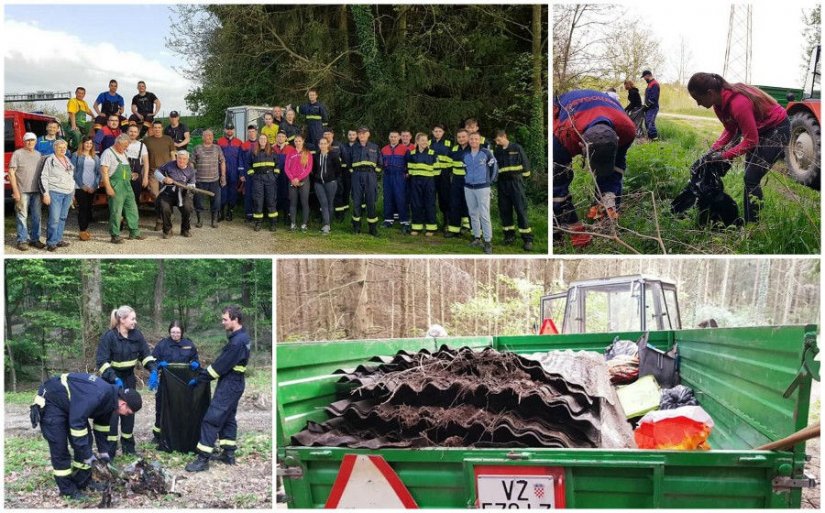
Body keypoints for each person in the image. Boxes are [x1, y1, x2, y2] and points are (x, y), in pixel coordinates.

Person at [687, 72, 791, 223]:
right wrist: (712, 151)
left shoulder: (738, 103)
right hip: (760, 129)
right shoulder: (718, 105)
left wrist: (723, 156)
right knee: (749, 178)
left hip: (777, 129)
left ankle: (753, 227)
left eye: (698, 99)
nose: (698, 103)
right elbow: (730, 130)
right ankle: (751, 220)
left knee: (751, 178)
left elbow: (750, 140)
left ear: (710, 93)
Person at [30, 372, 141, 500]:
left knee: (86, 442)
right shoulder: (98, 395)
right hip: (52, 402)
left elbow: (101, 426)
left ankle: (81, 481)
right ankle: (67, 490)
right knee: (60, 448)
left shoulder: (111, 400)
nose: (126, 415)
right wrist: (87, 455)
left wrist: (104, 452)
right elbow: (77, 424)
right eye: (128, 412)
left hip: (71, 406)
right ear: (123, 404)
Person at [552, 89, 636, 248]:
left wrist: (608, 195)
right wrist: (573, 226)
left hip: (606, 112)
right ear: (581, 146)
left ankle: (606, 217)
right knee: (557, 182)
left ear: (617, 140)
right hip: (565, 113)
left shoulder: (627, 129)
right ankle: (557, 230)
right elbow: (556, 185)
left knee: (610, 191)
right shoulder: (562, 133)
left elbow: (617, 165)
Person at [185, 305, 251, 472]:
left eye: (225, 319)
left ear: (235, 320)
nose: (222, 322)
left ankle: (202, 459)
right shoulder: (242, 338)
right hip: (235, 383)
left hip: (230, 384)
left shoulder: (237, 343)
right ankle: (228, 454)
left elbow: (219, 367)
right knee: (228, 417)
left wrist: (199, 379)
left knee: (211, 419)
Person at [96, 305, 157, 457]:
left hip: (129, 378)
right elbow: (101, 362)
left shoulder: (137, 336)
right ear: (121, 320)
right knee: (112, 416)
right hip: (112, 382)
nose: (135, 322)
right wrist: (113, 378)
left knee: (129, 412)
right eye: (132, 318)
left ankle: (128, 449)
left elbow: (145, 355)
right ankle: (109, 451)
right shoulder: (109, 337)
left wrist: (153, 369)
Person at [151, 321, 200, 444]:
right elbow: (153, 361)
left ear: (182, 332)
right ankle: (158, 435)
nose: (175, 335)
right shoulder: (162, 345)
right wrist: (157, 367)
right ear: (169, 332)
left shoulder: (189, 344)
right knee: (161, 406)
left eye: (178, 332)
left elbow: (195, 360)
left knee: (183, 407)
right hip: (166, 382)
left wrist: (196, 364)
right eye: (173, 332)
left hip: (184, 382)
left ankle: (181, 433)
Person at [100, 135, 146, 243]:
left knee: (132, 209)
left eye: (127, 146)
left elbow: (125, 170)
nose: (126, 148)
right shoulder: (108, 153)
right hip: (116, 186)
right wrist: (108, 187)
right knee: (116, 211)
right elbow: (104, 172)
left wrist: (131, 175)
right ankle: (115, 235)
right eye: (125, 146)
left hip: (127, 185)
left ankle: (134, 232)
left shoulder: (124, 153)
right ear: (118, 143)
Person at [493, 130, 534, 251]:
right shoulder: (498, 151)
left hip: (516, 183)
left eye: (498, 140)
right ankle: (509, 236)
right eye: (496, 141)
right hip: (502, 184)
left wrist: (523, 179)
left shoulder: (516, 147)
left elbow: (525, 163)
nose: (497, 142)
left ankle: (527, 239)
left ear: (504, 136)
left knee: (521, 210)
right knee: (504, 210)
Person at [9, 132, 45, 251]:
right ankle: (22, 240)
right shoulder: (17, 154)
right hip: (22, 190)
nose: (30, 142)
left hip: (36, 191)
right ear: (24, 142)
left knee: (37, 216)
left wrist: (43, 191)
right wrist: (16, 191)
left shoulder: (39, 154)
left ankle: (35, 239)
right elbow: (11, 173)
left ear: (35, 142)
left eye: (32, 140)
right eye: (27, 140)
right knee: (22, 215)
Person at [463, 133, 498, 254]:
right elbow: (464, 169)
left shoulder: (486, 153)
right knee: (473, 213)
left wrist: (490, 181)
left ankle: (488, 241)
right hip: (468, 187)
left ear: (479, 140)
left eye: (476, 139)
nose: (473, 141)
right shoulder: (465, 154)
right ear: (469, 140)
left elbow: (494, 167)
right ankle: (477, 237)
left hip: (482, 187)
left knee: (484, 214)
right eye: (471, 139)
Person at [40, 139, 76, 251]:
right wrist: (45, 194)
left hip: (68, 193)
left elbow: (71, 177)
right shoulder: (49, 159)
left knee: (62, 217)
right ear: (55, 148)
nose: (62, 150)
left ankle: (58, 239)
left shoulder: (67, 159)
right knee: (54, 218)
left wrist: (73, 193)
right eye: (60, 147)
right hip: (55, 191)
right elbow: (43, 177)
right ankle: (51, 242)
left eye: (64, 148)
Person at [143, 120, 177, 231]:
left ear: (162, 128)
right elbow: (144, 157)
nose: (157, 129)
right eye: (155, 127)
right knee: (156, 196)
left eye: (159, 127)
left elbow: (173, 155)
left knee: (168, 196)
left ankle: (161, 220)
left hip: (167, 172)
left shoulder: (168, 139)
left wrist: (175, 170)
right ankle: (160, 218)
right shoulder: (147, 141)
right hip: (153, 173)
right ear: (152, 129)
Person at [154, 150, 197, 238]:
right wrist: (164, 179)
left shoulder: (191, 170)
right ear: (176, 158)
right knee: (164, 207)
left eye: (184, 159)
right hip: (168, 192)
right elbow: (156, 172)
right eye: (179, 158)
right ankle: (167, 230)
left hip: (183, 194)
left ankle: (185, 229)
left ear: (187, 160)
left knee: (188, 208)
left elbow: (192, 183)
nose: (181, 161)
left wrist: (190, 187)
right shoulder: (169, 165)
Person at [191, 129, 227, 228]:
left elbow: (222, 161)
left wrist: (223, 176)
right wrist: (192, 176)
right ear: (203, 137)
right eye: (207, 135)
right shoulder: (197, 148)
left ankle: (214, 221)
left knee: (216, 201)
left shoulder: (217, 148)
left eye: (211, 135)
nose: (210, 137)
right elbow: (191, 162)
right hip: (200, 181)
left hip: (214, 180)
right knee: (198, 201)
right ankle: (200, 220)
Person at [350, 126, 382, 235]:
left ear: (368, 134)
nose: (362, 135)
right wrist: (354, 173)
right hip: (357, 175)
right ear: (358, 135)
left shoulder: (374, 147)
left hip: (370, 176)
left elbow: (380, 162)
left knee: (371, 201)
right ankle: (356, 227)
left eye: (364, 133)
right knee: (357, 201)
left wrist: (373, 173)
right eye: (360, 133)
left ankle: (373, 229)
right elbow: (348, 162)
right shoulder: (354, 147)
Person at [406, 133, 439, 236]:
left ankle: (431, 228)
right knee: (416, 204)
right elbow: (410, 169)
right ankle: (417, 227)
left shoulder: (432, 153)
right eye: (422, 140)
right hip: (415, 182)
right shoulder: (411, 153)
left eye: (426, 140)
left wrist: (431, 182)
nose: (425, 142)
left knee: (429, 204)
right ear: (417, 141)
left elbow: (437, 170)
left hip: (429, 182)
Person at [71, 136, 101, 241]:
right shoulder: (76, 155)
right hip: (80, 186)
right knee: (83, 208)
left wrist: (94, 186)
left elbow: (98, 173)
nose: (88, 145)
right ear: (82, 144)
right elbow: (73, 172)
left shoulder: (96, 157)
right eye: (86, 143)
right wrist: (82, 185)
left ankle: (85, 229)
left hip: (92, 187)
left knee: (88, 208)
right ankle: (82, 231)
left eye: (90, 143)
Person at [248, 134, 279, 231]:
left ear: (267, 141)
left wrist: (275, 176)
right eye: (261, 138)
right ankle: (258, 223)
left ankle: (273, 223)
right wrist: (253, 175)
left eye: (264, 139)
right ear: (258, 140)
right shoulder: (254, 151)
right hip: (258, 178)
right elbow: (249, 165)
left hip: (270, 178)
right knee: (258, 201)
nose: (262, 140)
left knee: (271, 200)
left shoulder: (272, 151)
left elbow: (277, 165)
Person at [380, 131, 409, 230]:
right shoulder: (384, 149)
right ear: (389, 137)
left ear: (399, 138)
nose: (393, 138)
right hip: (388, 176)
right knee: (388, 197)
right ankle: (388, 219)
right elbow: (380, 163)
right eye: (391, 137)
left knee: (401, 198)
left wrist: (407, 173)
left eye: (395, 137)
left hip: (400, 177)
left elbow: (409, 162)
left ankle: (404, 221)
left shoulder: (405, 149)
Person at [311, 137, 341, 234]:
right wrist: (316, 178)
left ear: (328, 144)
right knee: (323, 203)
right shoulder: (316, 155)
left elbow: (338, 169)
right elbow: (314, 169)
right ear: (319, 145)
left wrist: (333, 179)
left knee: (329, 203)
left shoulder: (334, 155)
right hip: (318, 183)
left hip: (330, 183)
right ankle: (326, 225)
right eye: (321, 143)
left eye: (324, 143)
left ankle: (328, 223)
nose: (323, 145)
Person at [445, 129, 472, 237]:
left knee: (470, 205)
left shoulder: (473, 149)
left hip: (469, 181)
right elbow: (448, 165)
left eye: (463, 137)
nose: (461, 139)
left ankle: (474, 231)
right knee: (455, 204)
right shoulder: (454, 149)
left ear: (468, 137)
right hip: (456, 181)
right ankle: (454, 229)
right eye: (459, 137)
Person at [285, 135, 313, 231]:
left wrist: (299, 178)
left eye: (299, 141)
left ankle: (304, 224)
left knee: (304, 202)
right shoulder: (290, 153)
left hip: (304, 180)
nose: (297, 143)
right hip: (292, 180)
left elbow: (308, 168)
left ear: (303, 141)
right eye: (296, 141)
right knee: (293, 203)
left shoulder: (307, 153)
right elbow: (286, 168)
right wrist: (293, 179)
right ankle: (293, 224)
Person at [217, 123, 245, 221]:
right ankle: (221, 212)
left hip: (234, 171)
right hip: (222, 171)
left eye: (231, 129)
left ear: (234, 130)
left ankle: (230, 211)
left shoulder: (239, 142)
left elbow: (241, 158)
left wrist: (241, 172)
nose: (230, 131)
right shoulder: (219, 141)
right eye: (228, 129)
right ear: (225, 130)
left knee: (233, 192)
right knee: (222, 191)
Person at [429, 124, 453, 228]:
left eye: (440, 131)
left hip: (444, 175)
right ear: (433, 132)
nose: (438, 133)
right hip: (431, 175)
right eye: (436, 131)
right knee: (430, 198)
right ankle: (431, 221)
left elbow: (452, 159)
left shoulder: (448, 143)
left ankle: (446, 222)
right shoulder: (429, 143)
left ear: (443, 133)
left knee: (444, 198)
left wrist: (449, 172)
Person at [273, 130, 297, 223]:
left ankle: (287, 216)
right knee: (275, 195)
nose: (280, 138)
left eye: (283, 136)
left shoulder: (291, 149)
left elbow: (294, 163)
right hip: (275, 175)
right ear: (276, 138)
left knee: (287, 195)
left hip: (287, 176)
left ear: (286, 138)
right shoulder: (272, 148)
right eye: (279, 136)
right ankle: (276, 215)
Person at [334, 129, 357, 221]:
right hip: (344, 172)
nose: (351, 136)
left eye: (353, 134)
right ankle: (345, 208)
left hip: (356, 173)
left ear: (356, 136)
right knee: (345, 190)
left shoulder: (359, 146)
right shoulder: (343, 146)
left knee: (357, 192)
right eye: (350, 134)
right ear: (347, 136)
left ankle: (361, 210)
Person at [125, 125, 149, 209]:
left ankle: (133, 218)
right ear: (127, 132)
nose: (132, 133)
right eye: (131, 131)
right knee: (123, 196)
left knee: (135, 196)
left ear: (138, 133)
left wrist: (145, 177)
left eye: (135, 132)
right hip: (123, 173)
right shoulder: (122, 143)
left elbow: (146, 163)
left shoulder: (142, 145)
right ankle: (122, 218)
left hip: (137, 174)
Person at [66, 87, 94, 151]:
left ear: (84, 94)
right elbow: (71, 113)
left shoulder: (84, 103)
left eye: (82, 93)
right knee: (77, 134)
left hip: (82, 127)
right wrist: (73, 126)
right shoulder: (73, 101)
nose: (80, 95)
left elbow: (88, 110)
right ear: (76, 93)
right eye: (78, 93)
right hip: (73, 125)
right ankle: (74, 151)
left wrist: (93, 116)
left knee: (90, 135)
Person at [241, 125, 258, 222]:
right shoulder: (244, 145)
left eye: (253, 131)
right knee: (248, 194)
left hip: (258, 174)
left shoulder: (260, 144)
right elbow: (241, 160)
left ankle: (257, 214)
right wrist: (242, 174)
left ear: (256, 132)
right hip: (247, 174)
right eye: (250, 131)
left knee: (258, 194)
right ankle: (248, 215)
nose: (251, 133)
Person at [641, 70, 660, 140]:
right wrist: (645, 105)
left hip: (653, 108)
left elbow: (653, 98)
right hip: (649, 108)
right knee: (646, 122)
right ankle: (650, 138)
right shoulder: (650, 84)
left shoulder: (654, 84)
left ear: (648, 75)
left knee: (650, 122)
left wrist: (646, 105)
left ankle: (655, 140)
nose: (644, 79)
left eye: (644, 77)